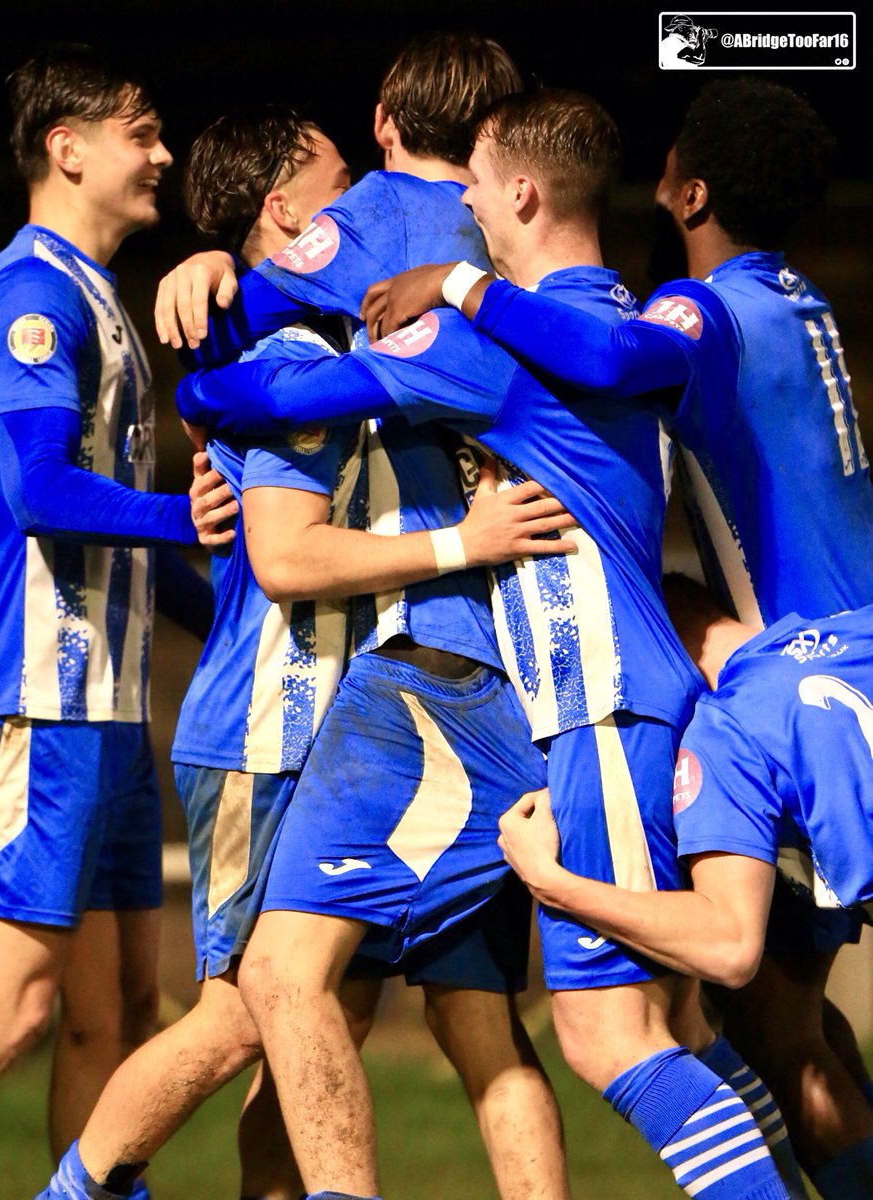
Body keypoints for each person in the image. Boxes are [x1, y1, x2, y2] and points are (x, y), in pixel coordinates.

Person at [174, 87, 797, 1200]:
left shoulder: (487, 352)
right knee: (671, 1029)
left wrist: (199, 375)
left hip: (603, 705)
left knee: (610, 1039)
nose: (455, 197)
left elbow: (281, 393)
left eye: (474, 180)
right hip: (626, 701)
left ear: (517, 192)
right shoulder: (632, 320)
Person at [42, 77, 573, 1200]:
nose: (371, 191)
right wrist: (461, 544)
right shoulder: (289, 365)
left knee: (312, 1019)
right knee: (248, 1012)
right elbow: (283, 557)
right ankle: (78, 1187)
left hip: (345, 718)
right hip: (262, 729)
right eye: (342, 174)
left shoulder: (329, 344)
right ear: (290, 209)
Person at [361, 76, 873, 1195]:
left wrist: (460, 283)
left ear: (691, 193)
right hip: (810, 669)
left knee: (667, 1023)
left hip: (797, 681)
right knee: (762, 1017)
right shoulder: (802, 302)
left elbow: (612, 362)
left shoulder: (706, 310)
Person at [0, 43, 213, 1171]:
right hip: (37, 699)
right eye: (143, 133)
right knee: (14, 1009)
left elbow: (126, 549)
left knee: (116, 1018)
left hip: (112, 718)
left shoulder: (100, 302)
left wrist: (242, 627)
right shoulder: (28, 293)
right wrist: (188, 522)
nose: (163, 155)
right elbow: (42, 494)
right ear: (66, 150)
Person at [497, 573, 873, 1199]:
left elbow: (728, 947)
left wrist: (553, 882)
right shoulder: (856, 629)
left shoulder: (729, 733)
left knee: (610, 1039)